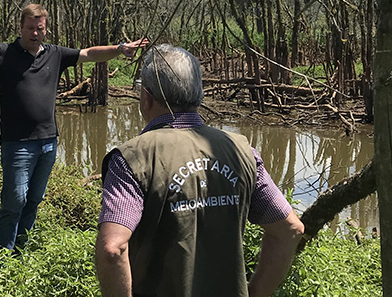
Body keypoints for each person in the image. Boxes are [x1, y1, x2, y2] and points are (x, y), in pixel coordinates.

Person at [94, 44, 305, 297]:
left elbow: (113, 248)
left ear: (146, 97)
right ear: (199, 95)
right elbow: (290, 229)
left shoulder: (133, 158)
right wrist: (256, 292)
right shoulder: (242, 151)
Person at [0, 3, 146, 250]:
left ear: (46, 29)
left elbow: (90, 54)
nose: (35, 33)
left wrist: (120, 48)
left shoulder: (55, 54)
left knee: (34, 200)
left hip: (48, 142)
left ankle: (21, 249)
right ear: (20, 27)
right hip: (17, 144)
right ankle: (2, 254)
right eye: (30, 28)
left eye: (39, 28)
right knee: (14, 200)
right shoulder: (4, 54)